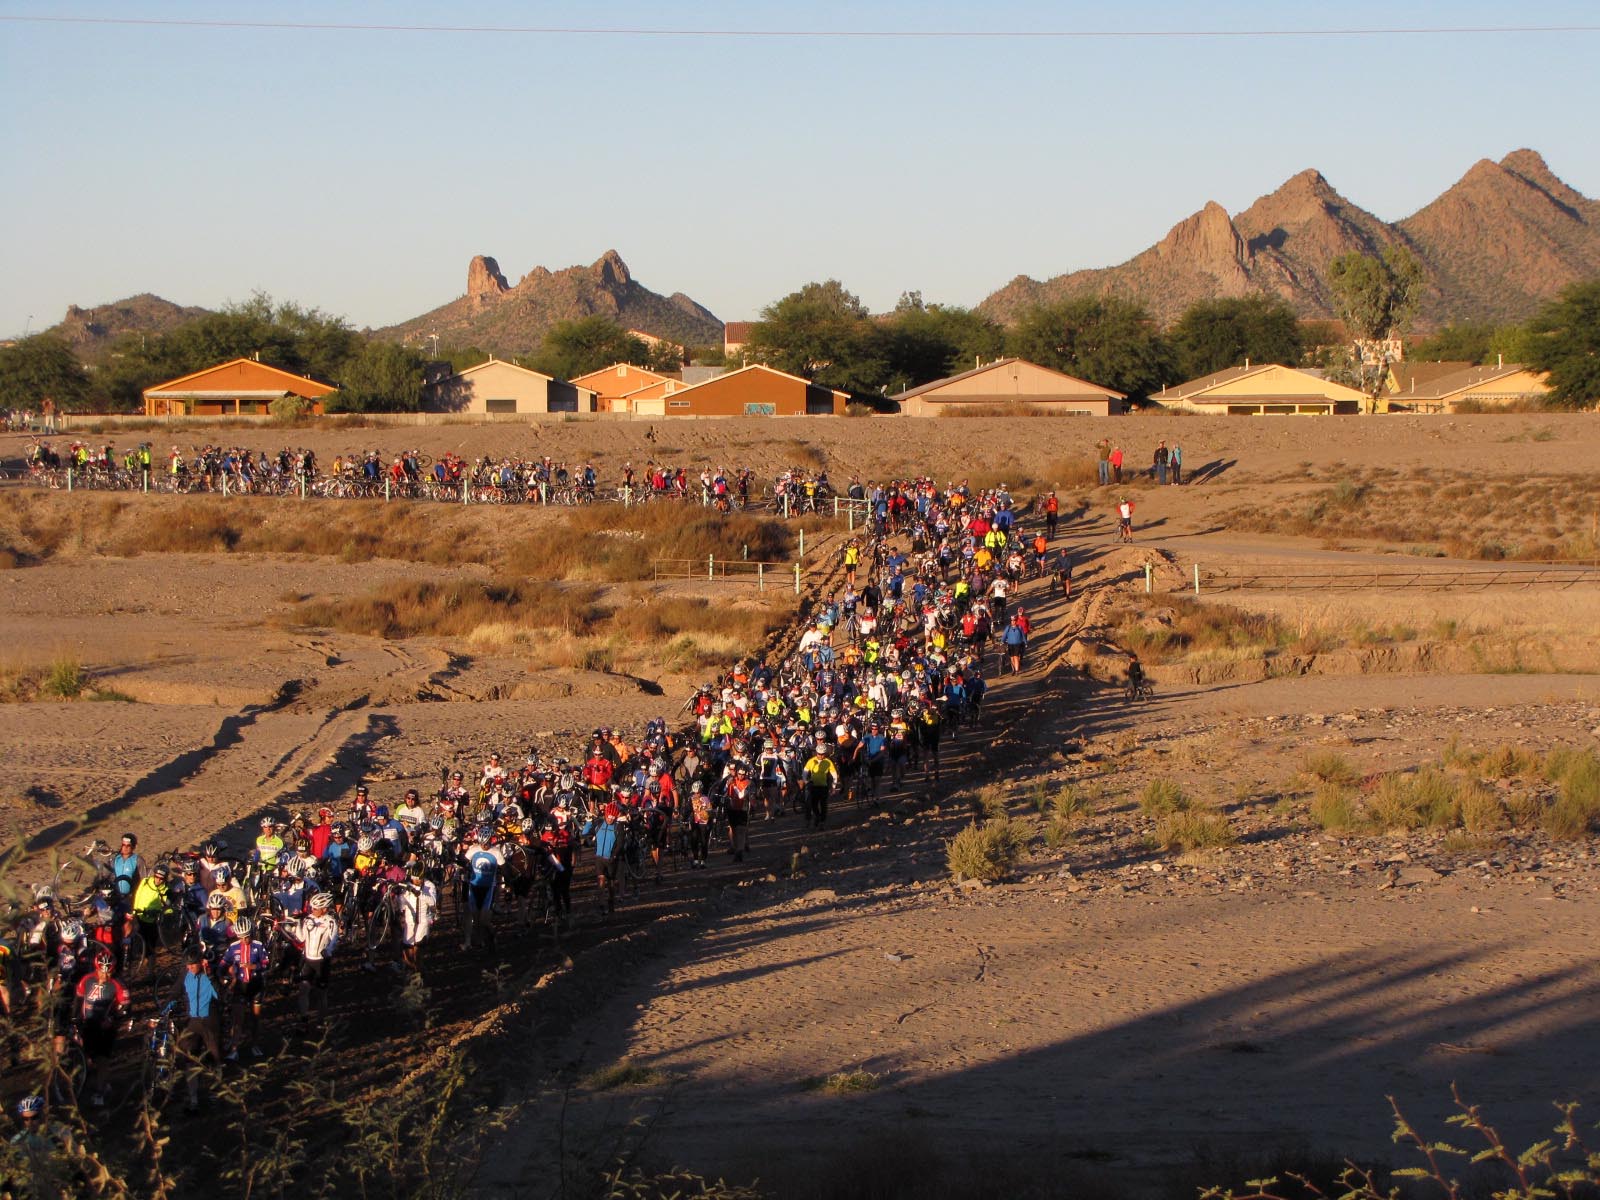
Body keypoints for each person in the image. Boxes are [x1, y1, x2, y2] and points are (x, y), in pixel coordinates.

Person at [74, 950, 128, 1107]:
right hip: (88, 1024)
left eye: (108, 972)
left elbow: (125, 1007)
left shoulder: (118, 984)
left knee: (103, 1059)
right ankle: (94, 1083)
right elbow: (78, 1000)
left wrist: (112, 1018)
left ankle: (100, 1091)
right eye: (101, 971)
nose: (104, 975)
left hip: (106, 1027)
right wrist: (75, 1019)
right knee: (88, 1058)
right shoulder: (87, 980)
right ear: (96, 968)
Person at [282, 891, 338, 1028]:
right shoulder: (308, 919)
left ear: (324, 909)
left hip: (322, 962)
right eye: (312, 908)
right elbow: (301, 938)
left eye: (315, 908)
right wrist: (297, 924)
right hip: (308, 960)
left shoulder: (331, 922)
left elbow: (334, 939)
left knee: (321, 993)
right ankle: (304, 1018)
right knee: (303, 989)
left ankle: (321, 1021)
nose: (312, 910)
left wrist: (328, 950)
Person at [177, 948, 222, 1114]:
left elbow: (220, 996)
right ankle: (193, 1098)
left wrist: (211, 977)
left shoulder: (209, 976)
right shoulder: (186, 975)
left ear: (201, 963)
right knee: (189, 1058)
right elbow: (176, 992)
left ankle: (215, 1093)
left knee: (215, 1057)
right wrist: (164, 1009)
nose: (189, 967)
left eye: (192, 965)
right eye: (187, 965)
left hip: (210, 1021)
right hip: (193, 1021)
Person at [801, 748, 839, 829]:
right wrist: (806, 782)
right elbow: (804, 773)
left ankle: (822, 822)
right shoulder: (811, 761)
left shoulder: (828, 762)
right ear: (816, 753)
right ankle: (817, 817)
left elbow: (834, 775)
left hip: (824, 786)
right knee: (813, 805)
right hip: (813, 786)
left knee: (823, 805)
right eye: (819, 754)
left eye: (822, 754)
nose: (821, 756)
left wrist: (833, 787)